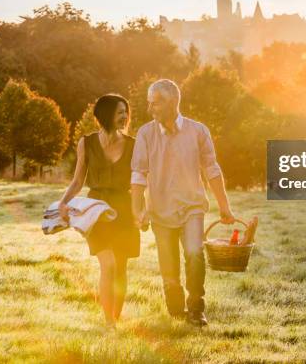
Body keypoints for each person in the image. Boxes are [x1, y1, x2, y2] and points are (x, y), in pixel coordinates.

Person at [130, 79, 235, 327]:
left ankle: (196, 306)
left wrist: (224, 205)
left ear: (173, 101)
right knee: (169, 264)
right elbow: (138, 173)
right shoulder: (145, 134)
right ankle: (175, 305)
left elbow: (211, 168)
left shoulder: (198, 131)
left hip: (192, 207)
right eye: (149, 103)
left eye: (156, 103)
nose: (151, 108)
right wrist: (137, 209)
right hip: (160, 209)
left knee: (194, 252)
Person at [58, 94, 140, 330]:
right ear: (105, 115)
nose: (124, 116)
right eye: (118, 111)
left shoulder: (134, 145)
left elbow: (139, 184)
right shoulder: (87, 143)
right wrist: (64, 202)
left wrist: (140, 211)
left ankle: (116, 316)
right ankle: (109, 322)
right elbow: (77, 180)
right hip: (96, 211)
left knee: (121, 267)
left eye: (126, 111)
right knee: (108, 264)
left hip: (124, 210)